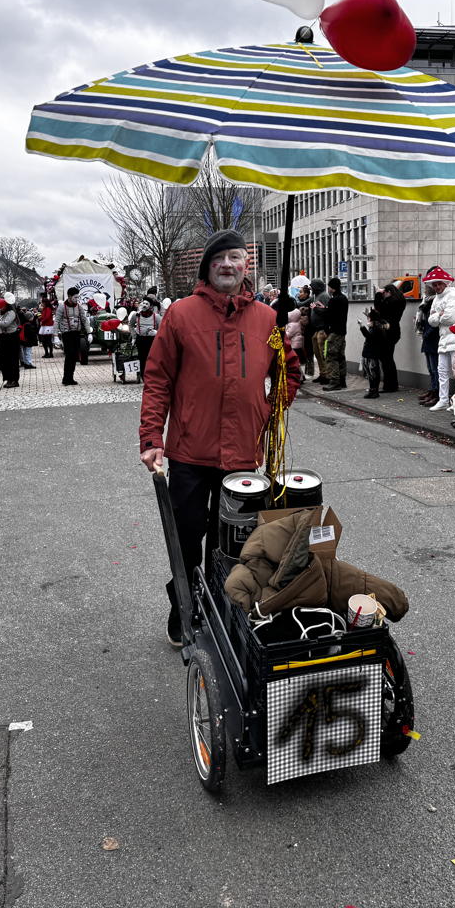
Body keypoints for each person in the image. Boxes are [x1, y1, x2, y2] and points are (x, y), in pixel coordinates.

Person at [138, 229, 301, 646]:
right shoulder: (181, 315)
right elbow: (157, 379)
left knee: (231, 545)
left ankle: (220, 610)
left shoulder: (267, 318)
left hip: (243, 455)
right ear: (207, 268)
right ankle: (184, 609)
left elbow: (289, 373)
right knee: (188, 541)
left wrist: (269, 409)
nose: (227, 265)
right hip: (191, 452)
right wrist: (151, 436)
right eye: (219, 259)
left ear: (247, 266)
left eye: (235, 258)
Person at [424, 267, 455, 410]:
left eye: (439, 284)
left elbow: (451, 317)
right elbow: (431, 320)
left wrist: (439, 315)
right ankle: (443, 400)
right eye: (434, 285)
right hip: (443, 339)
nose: (437, 287)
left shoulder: (454, 294)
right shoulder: (436, 299)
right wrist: (440, 315)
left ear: (445, 283)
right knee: (442, 371)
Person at [54, 290, 93, 386]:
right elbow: (57, 321)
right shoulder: (62, 307)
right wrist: (55, 336)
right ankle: (66, 378)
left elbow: (84, 320)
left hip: (76, 333)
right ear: (69, 296)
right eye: (75, 297)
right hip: (66, 334)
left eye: (78, 297)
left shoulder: (79, 307)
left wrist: (89, 333)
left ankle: (70, 377)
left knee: (75, 356)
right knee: (69, 355)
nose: (77, 299)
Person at [375, 282, 406, 392]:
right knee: (388, 359)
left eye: (384, 293)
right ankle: (391, 385)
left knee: (386, 360)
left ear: (389, 292)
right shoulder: (399, 301)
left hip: (387, 332)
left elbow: (378, 308)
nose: (383, 295)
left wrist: (378, 294)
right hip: (394, 331)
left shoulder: (391, 302)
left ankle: (390, 386)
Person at [322, 277, 349, 391]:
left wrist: (320, 310)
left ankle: (334, 382)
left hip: (334, 331)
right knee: (341, 356)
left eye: (329, 286)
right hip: (342, 331)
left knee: (331, 356)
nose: (328, 289)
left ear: (332, 288)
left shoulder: (334, 300)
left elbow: (329, 315)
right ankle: (342, 381)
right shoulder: (344, 298)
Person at [358, 306, 390, 400]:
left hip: (371, 354)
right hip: (370, 353)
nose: (368, 319)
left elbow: (369, 337)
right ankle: (373, 390)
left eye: (369, 317)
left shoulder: (376, 328)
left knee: (373, 373)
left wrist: (361, 326)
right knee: (371, 373)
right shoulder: (377, 325)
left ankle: (374, 391)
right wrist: (367, 314)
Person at [0, 293, 22, 388]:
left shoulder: (11, 313)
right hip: (2, 338)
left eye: (2, 307)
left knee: (13, 359)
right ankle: (7, 379)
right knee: (4, 360)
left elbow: (5, 323)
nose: (0, 309)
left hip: (11, 337)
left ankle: (14, 380)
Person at [416, 292, 438, 404]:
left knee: (435, 369)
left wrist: (427, 333)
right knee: (430, 368)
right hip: (427, 338)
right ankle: (432, 390)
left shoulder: (437, 299)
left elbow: (435, 322)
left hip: (433, 338)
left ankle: (436, 393)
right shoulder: (426, 300)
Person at [130, 297, 161, 378]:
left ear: (150, 306)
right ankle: (144, 376)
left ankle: (152, 375)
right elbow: (131, 325)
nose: (144, 305)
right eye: (143, 303)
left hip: (152, 340)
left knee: (152, 358)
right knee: (142, 358)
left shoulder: (156, 316)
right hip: (141, 339)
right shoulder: (136, 315)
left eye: (146, 304)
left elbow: (162, 328)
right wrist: (133, 336)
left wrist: (156, 332)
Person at [308, 279, 330, 386]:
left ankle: (326, 375)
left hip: (322, 329)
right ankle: (322, 373)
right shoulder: (316, 296)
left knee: (322, 353)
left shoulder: (324, 296)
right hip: (316, 329)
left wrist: (316, 309)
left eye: (312, 286)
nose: (311, 288)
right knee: (317, 353)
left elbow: (326, 312)